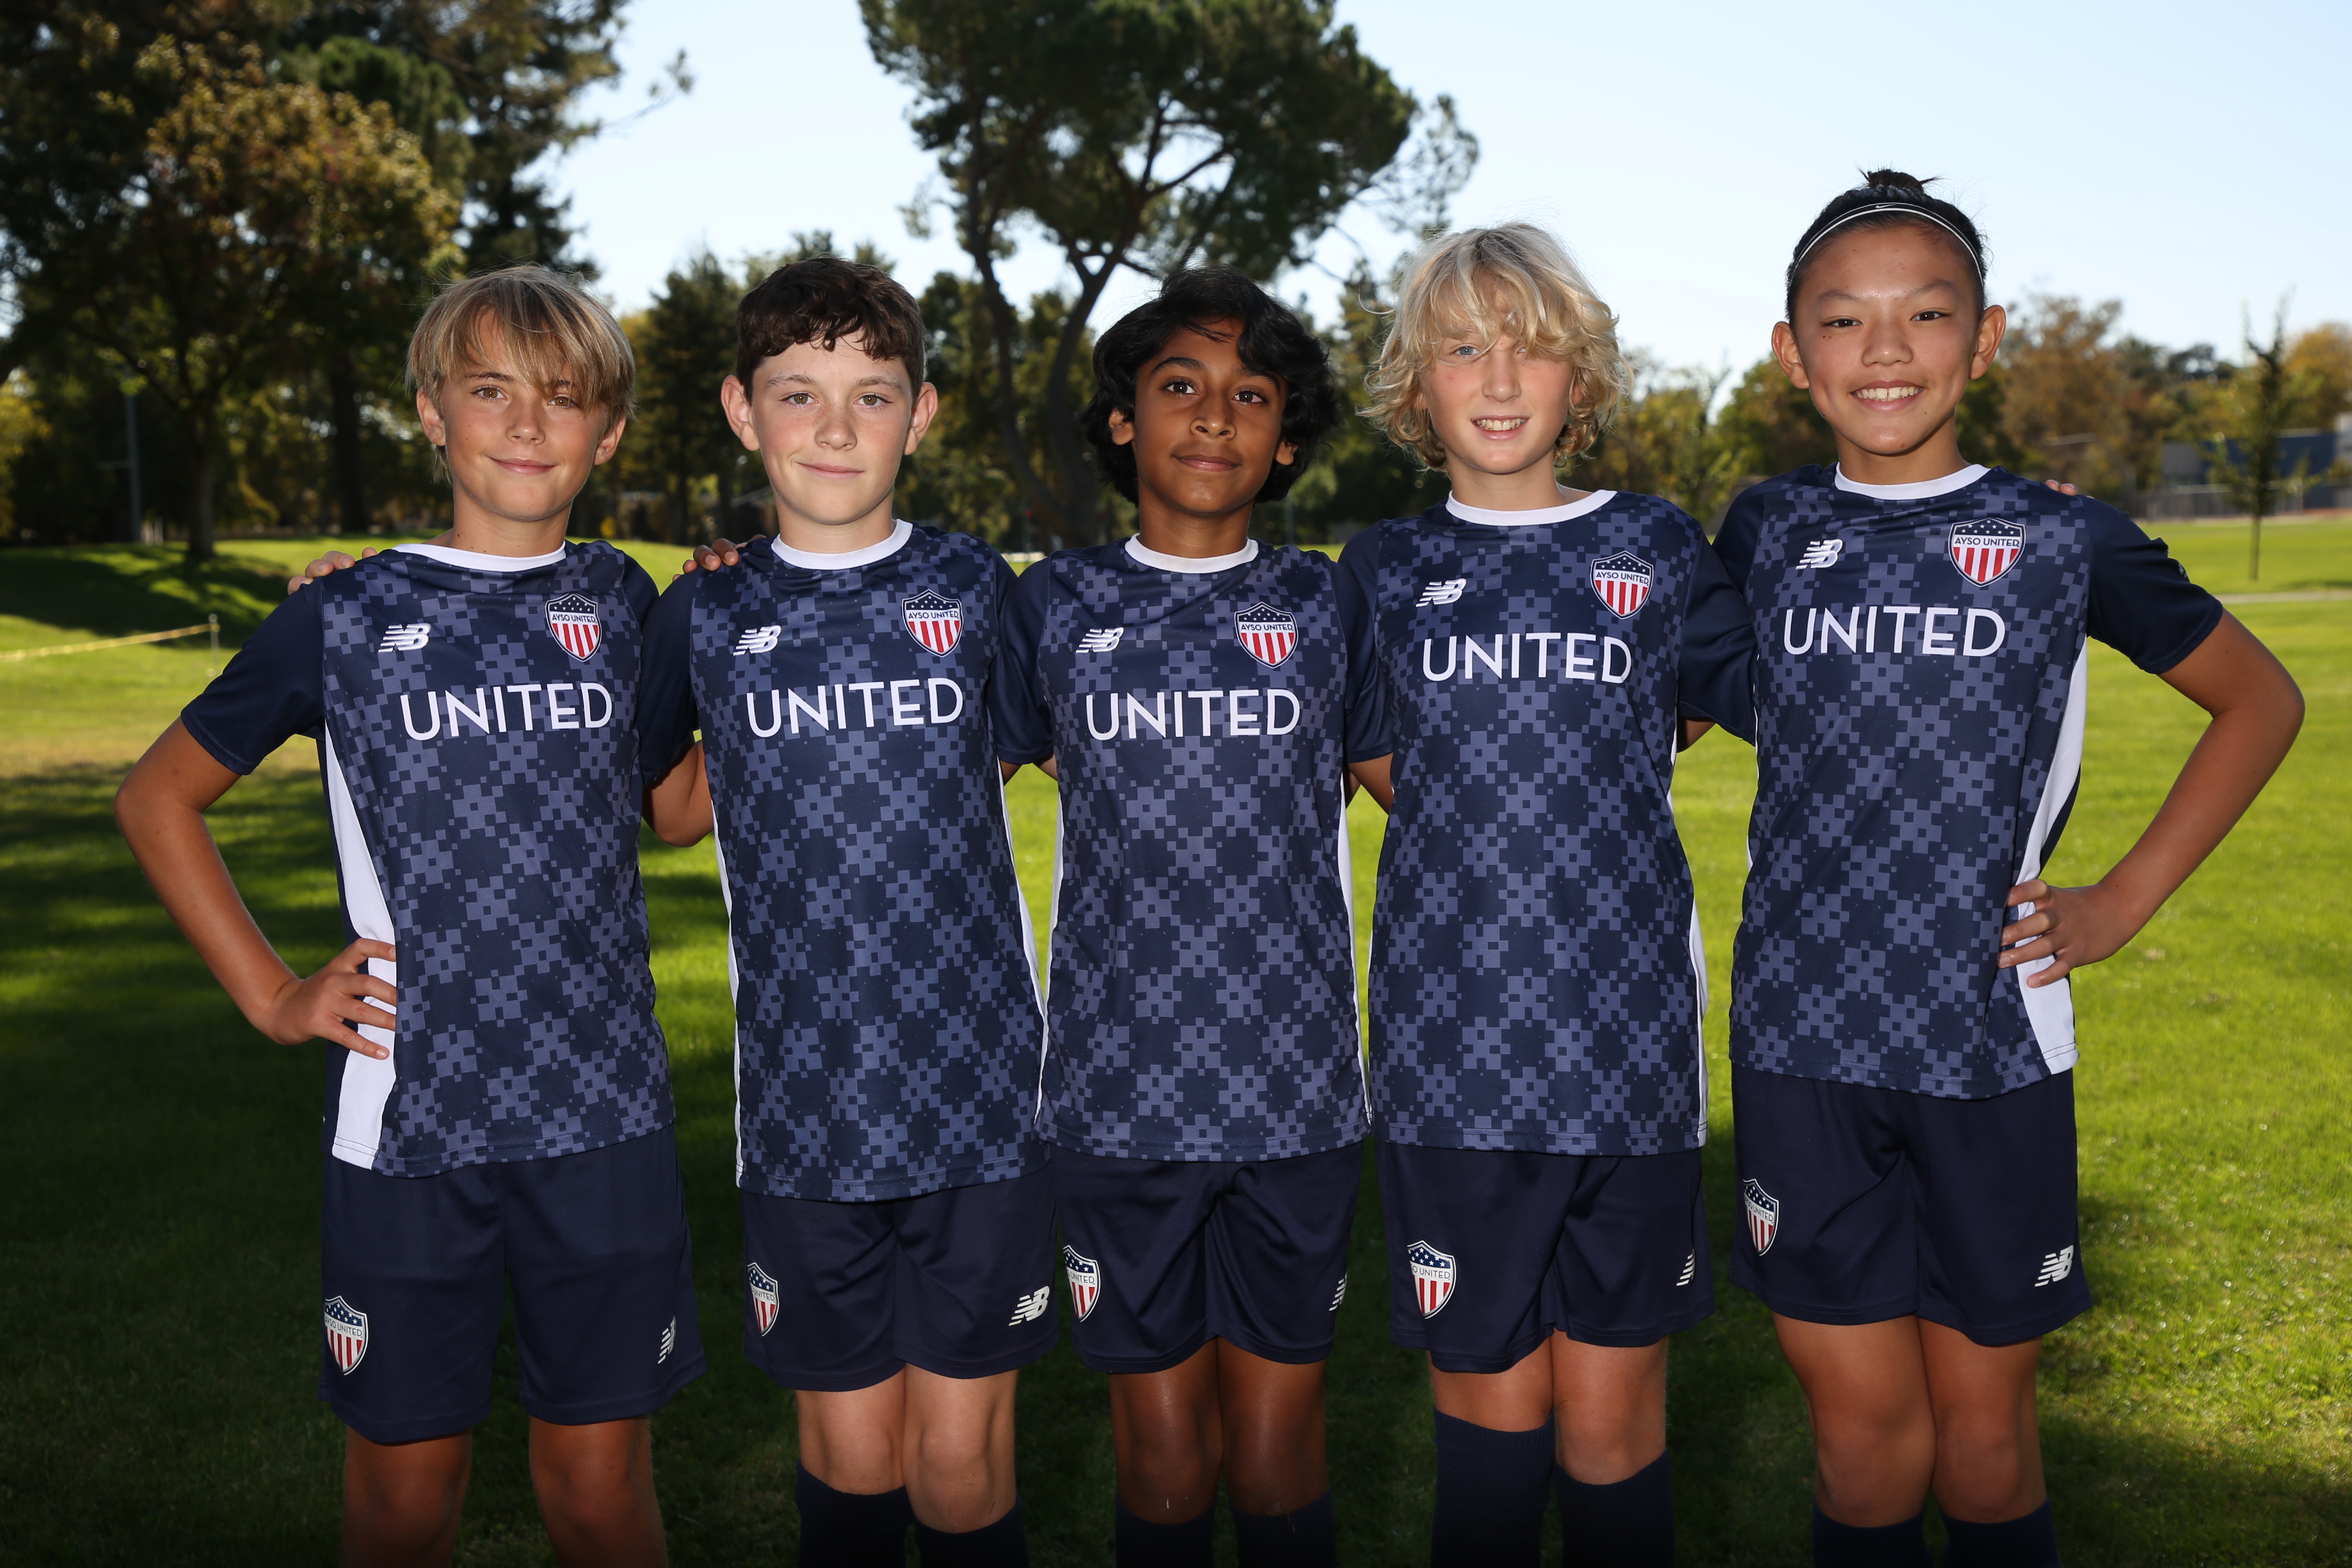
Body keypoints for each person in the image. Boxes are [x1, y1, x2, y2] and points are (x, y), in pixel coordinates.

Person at [1714, 171, 2304, 1567]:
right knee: (1864, 1449)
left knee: (1984, 1451)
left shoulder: (2062, 534)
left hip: (1989, 1038)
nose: (1885, 349)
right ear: (1792, 351)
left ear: (1984, 340)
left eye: (1926, 314)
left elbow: (2260, 701)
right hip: (1800, 1049)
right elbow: (1680, 700)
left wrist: (2122, 899)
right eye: (1842, 320)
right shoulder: (1762, 529)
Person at [115, 266, 701, 1568]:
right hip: (408, 1121)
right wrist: (274, 993)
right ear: (432, 412)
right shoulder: (342, 613)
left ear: (608, 432)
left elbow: (674, 810)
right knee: (403, 1503)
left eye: (563, 397)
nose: (527, 423)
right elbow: (157, 798)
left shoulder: (627, 602)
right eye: (491, 389)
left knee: (600, 1496)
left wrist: (742, 619)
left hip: (604, 1118)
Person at [1338, 224, 1754, 1567]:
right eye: (1466, 348)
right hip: (1452, 1066)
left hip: (1628, 1058)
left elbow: (1694, 709)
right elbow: (1387, 768)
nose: (1501, 379)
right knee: (1490, 1438)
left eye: (1532, 348)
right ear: (1420, 384)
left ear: (1583, 376)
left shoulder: (1656, 543)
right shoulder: (1380, 571)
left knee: (1617, 1436)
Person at [639, 255, 1054, 1568]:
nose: (833, 427)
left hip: (983, 1100)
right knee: (852, 1461)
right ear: (740, 409)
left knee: (961, 1463)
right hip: (806, 1107)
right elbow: (675, 811)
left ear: (920, 414)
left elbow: (1043, 752)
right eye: (797, 393)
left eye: (871, 395)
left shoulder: (980, 589)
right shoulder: (705, 607)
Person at [991, 266, 1387, 1568]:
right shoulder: (1052, 604)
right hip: (1117, 1099)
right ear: (1123, 421)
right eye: (1180, 386)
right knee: (1162, 1459)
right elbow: (936, 770)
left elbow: (1432, 786)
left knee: (1277, 1454)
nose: (1215, 416)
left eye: (1251, 395)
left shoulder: (1329, 602)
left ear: (1287, 440)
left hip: (1298, 1098)